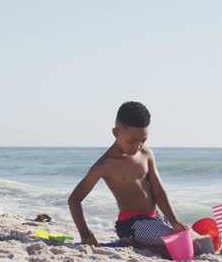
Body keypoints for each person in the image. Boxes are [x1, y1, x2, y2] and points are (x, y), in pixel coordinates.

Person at [68, 101, 189, 250]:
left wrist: (174, 221)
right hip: (132, 224)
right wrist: (85, 233)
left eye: (143, 140)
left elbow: (159, 192)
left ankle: (138, 244)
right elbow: (74, 199)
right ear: (116, 132)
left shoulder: (146, 153)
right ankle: (132, 244)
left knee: (190, 238)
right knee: (180, 247)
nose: (138, 146)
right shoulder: (105, 164)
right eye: (132, 141)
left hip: (155, 218)